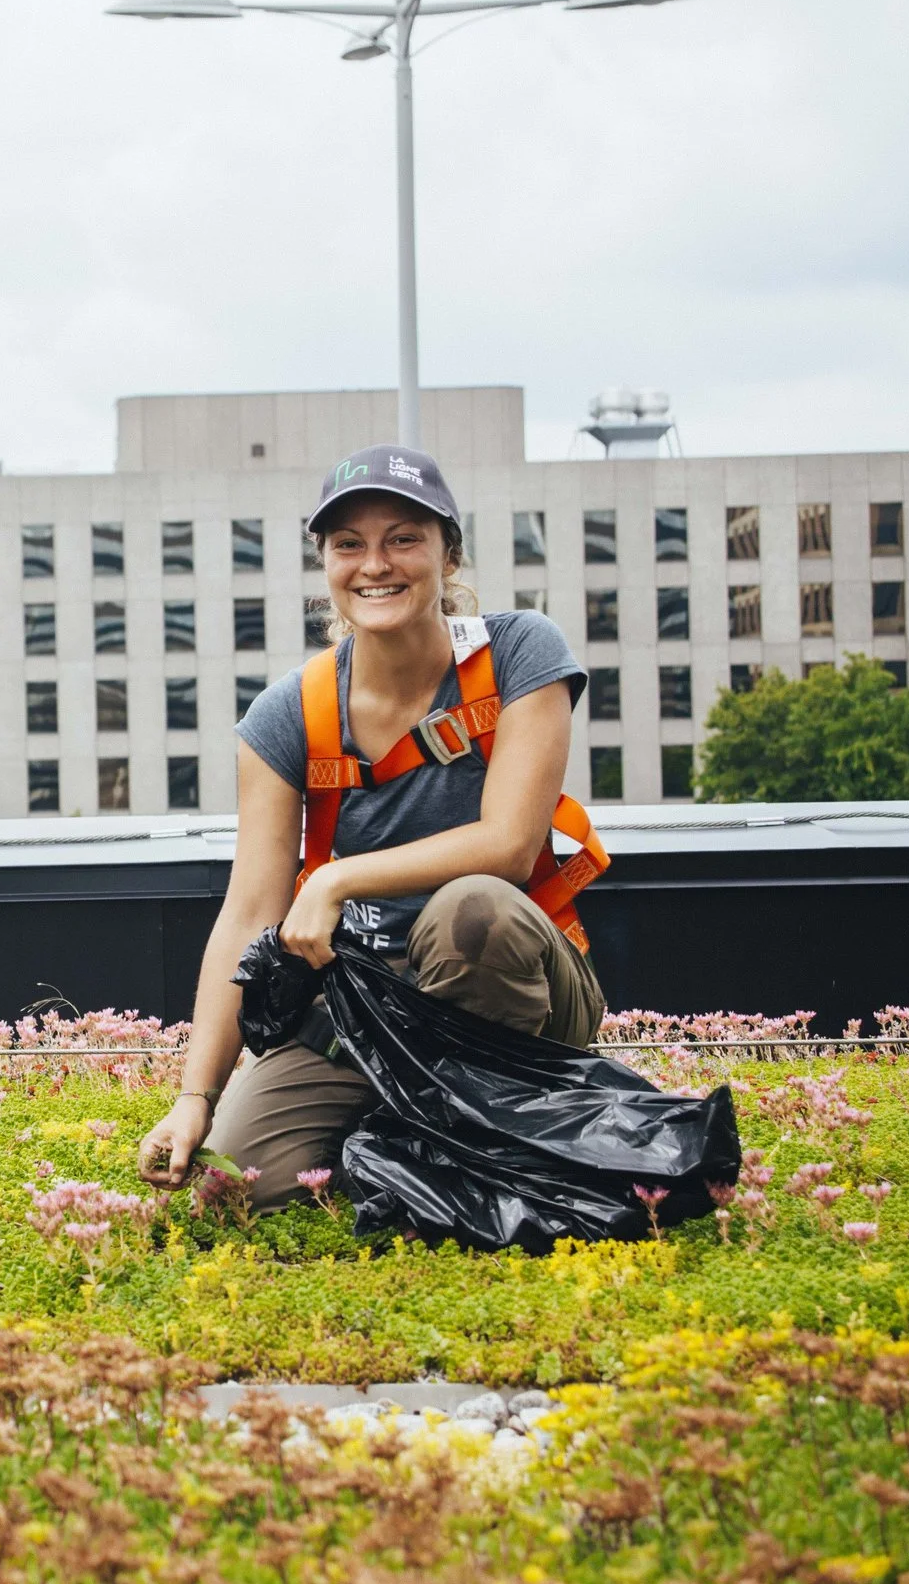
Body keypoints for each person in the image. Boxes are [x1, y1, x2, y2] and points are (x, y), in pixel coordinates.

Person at [137, 445, 606, 1207]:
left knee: (470, 912)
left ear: (448, 554)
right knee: (236, 1189)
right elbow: (249, 911)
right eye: (348, 543)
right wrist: (195, 1097)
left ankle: (480, 1148)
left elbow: (511, 845)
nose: (375, 563)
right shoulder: (286, 716)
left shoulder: (520, 651)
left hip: (516, 986)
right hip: (370, 1002)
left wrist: (337, 877)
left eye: (403, 538)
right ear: (325, 563)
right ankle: (400, 1144)